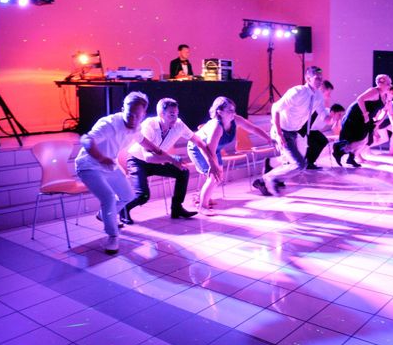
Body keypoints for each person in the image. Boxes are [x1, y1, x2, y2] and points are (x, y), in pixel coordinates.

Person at [75, 92, 177, 254]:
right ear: (123, 109)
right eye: (130, 115)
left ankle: (104, 215)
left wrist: (170, 159)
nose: (133, 120)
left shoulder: (136, 127)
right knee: (108, 197)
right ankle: (112, 236)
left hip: (109, 165)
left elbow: (146, 143)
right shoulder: (108, 124)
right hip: (89, 165)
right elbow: (86, 140)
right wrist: (101, 158)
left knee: (128, 196)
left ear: (143, 114)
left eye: (138, 116)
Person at [121, 98, 213, 225]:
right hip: (138, 161)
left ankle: (177, 209)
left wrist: (211, 160)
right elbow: (148, 157)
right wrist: (172, 159)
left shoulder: (179, 124)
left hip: (158, 160)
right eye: (171, 114)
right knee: (143, 195)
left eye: (176, 113)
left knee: (183, 172)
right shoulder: (149, 125)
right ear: (161, 114)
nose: (175, 117)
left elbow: (197, 140)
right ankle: (123, 209)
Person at [254, 66, 329, 196]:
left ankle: (263, 181)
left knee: (296, 163)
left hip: (294, 132)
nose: (320, 81)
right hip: (282, 131)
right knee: (299, 164)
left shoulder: (318, 95)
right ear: (308, 78)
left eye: (321, 78)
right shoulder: (297, 92)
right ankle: (270, 179)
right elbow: (275, 109)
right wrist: (279, 134)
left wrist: (332, 117)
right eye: (317, 78)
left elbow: (324, 115)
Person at [188, 96, 272, 213]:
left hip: (213, 149)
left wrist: (269, 139)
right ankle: (203, 206)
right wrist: (214, 166)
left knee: (217, 175)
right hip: (199, 149)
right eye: (230, 110)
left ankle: (202, 197)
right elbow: (209, 150)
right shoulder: (216, 127)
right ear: (219, 111)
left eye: (234, 110)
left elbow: (253, 129)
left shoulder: (235, 120)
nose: (233, 113)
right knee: (214, 176)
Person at [333, 74, 393, 167]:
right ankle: (339, 151)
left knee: (365, 140)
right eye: (387, 83)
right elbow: (360, 99)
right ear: (379, 83)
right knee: (360, 139)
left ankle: (350, 157)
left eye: (390, 83)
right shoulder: (374, 91)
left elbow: (381, 110)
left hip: (366, 118)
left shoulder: (384, 96)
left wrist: (378, 121)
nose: (389, 85)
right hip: (356, 115)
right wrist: (365, 114)